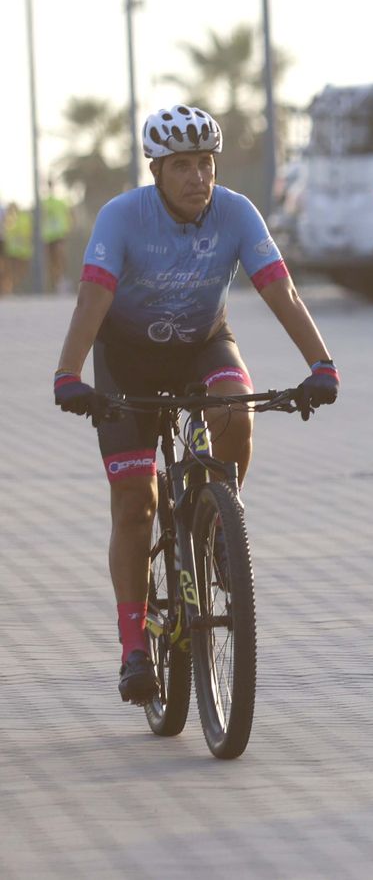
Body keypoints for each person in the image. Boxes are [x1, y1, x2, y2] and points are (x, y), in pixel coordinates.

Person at [51, 104, 341, 706]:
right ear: (156, 171)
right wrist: (68, 374)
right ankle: (134, 648)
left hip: (203, 345)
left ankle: (219, 526)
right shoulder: (122, 217)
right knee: (135, 504)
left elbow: (279, 288)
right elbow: (91, 298)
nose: (196, 178)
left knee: (236, 407)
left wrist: (322, 363)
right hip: (127, 359)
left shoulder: (236, 212)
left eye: (205, 164)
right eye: (181, 166)